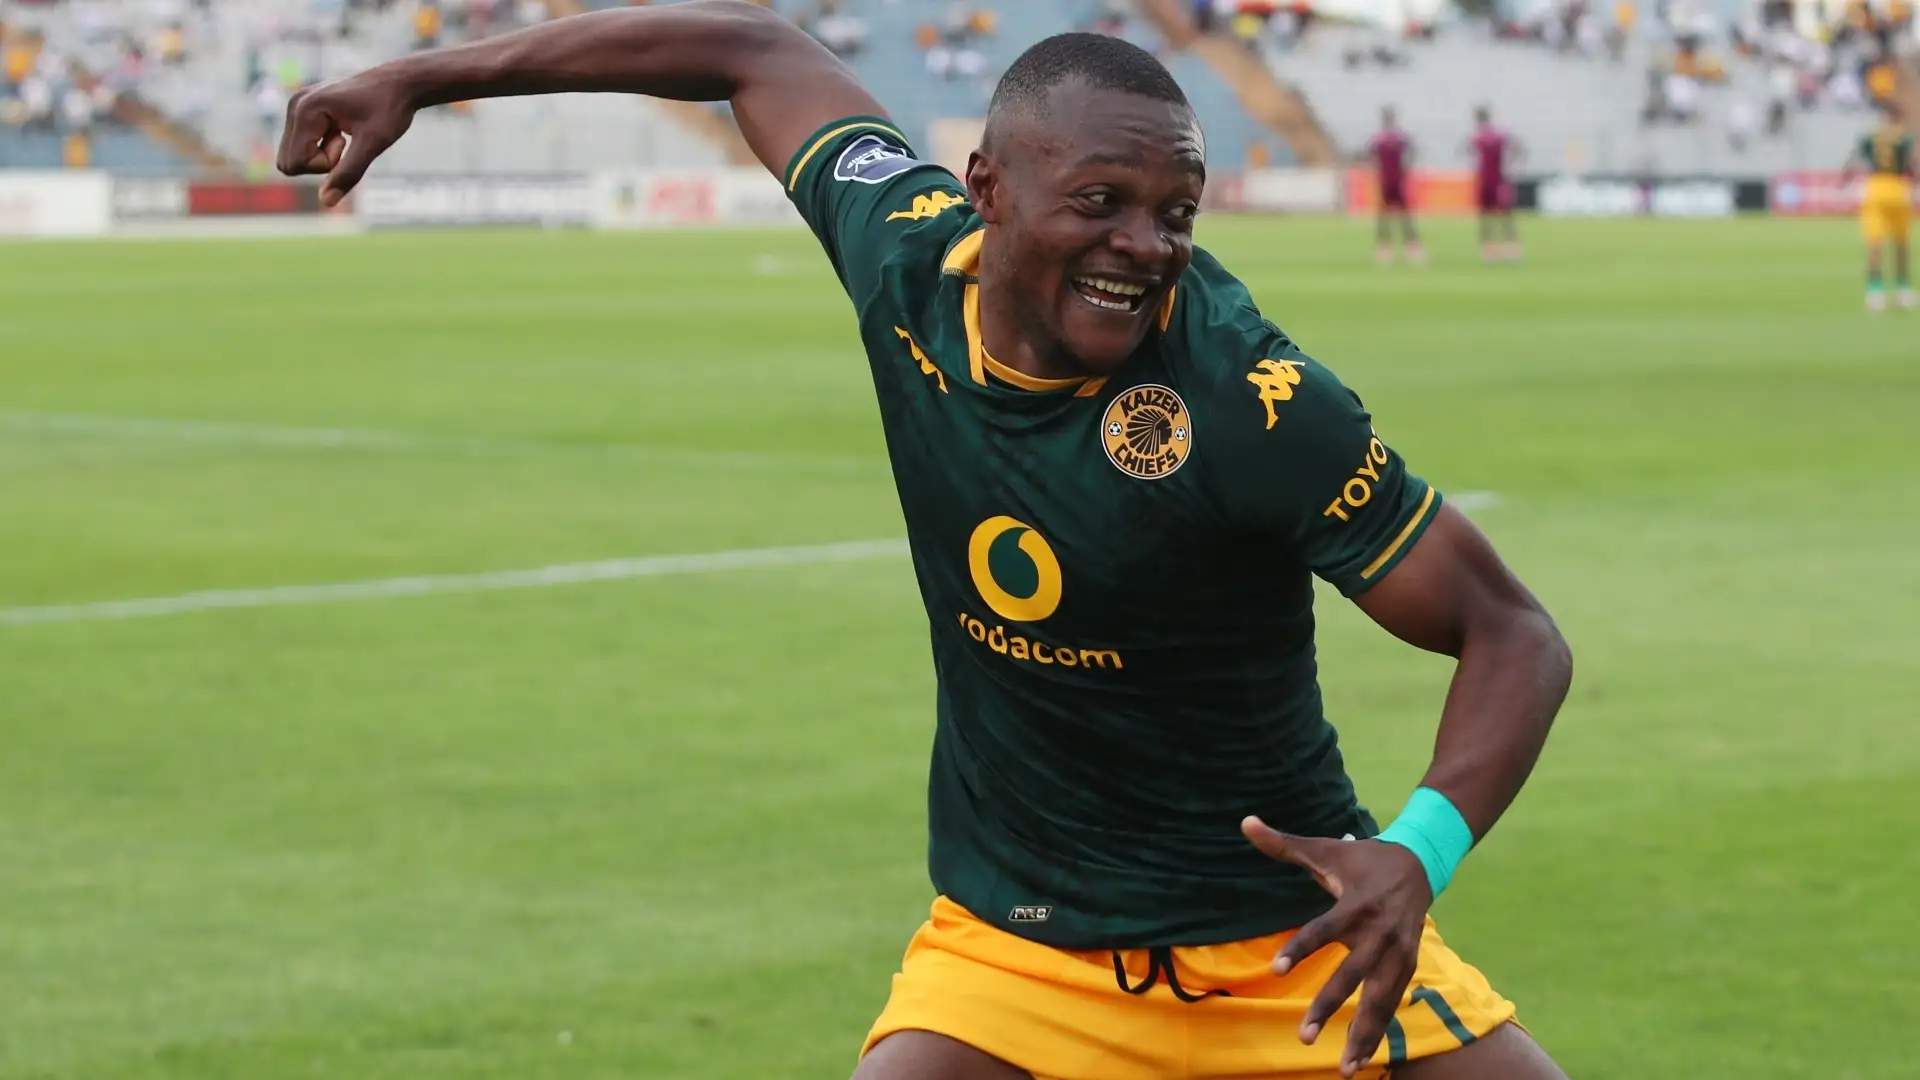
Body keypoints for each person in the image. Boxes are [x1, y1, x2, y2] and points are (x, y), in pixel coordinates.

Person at [278, 9, 1575, 1079]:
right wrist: (420, 78)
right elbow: (753, 51)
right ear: (985, 192)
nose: (1145, 247)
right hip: (1020, 955)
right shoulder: (903, 258)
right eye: (1101, 202)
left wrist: (1417, 852)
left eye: (1176, 211)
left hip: (1296, 951)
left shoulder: (1252, 401)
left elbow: (1511, 633)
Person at [1845, 98, 1914, 311]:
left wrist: (1844, 177)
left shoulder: (1871, 135)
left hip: (1875, 188)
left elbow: (1854, 157)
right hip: (1898, 188)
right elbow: (1912, 164)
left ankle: (1875, 292)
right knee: (1901, 243)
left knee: (1874, 243)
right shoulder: (1904, 137)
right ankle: (1903, 290)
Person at [1368, 106, 1424, 266]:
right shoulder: (1401, 138)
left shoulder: (1378, 138)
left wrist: (1377, 167)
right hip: (1398, 181)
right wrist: (1407, 167)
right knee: (1404, 216)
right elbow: (1414, 150)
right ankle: (1412, 249)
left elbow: (1369, 154)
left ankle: (1385, 250)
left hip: (1385, 181)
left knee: (1384, 217)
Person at [1468, 106, 1522, 263]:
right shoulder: (1500, 134)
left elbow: (1467, 152)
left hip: (1488, 180)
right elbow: (1518, 148)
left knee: (1488, 217)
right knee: (1504, 216)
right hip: (1498, 179)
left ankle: (1489, 250)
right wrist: (1511, 164)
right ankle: (1511, 249)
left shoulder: (1478, 136)